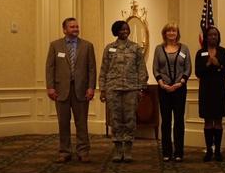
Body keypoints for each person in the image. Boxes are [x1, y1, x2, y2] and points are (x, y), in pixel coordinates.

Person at [45, 17, 97, 163]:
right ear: (64, 29)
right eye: (72, 27)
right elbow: (50, 68)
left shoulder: (87, 46)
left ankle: (83, 151)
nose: (75, 29)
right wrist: (50, 87)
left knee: (82, 122)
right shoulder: (55, 45)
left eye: (76, 26)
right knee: (63, 122)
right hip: (61, 90)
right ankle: (64, 151)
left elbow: (92, 69)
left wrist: (91, 87)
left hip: (81, 90)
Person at [99, 20, 148, 163]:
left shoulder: (135, 48)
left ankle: (128, 148)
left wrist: (141, 87)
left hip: (131, 89)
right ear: (116, 31)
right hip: (113, 89)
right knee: (115, 119)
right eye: (121, 29)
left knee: (130, 119)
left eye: (126, 29)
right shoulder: (109, 48)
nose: (125, 31)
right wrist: (102, 89)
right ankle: (118, 147)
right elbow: (104, 69)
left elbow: (141, 69)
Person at [152, 23, 191, 162]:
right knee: (166, 121)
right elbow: (156, 69)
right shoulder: (158, 49)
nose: (171, 33)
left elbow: (187, 68)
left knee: (179, 121)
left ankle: (179, 152)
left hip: (180, 89)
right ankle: (167, 152)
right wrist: (162, 84)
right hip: (163, 90)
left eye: (174, 30)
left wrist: (179, 83)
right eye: (169, 30)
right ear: (164, 33)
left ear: (177, 33)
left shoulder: (184, 48)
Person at [194, 26, 225, 162]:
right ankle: (209, 150)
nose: (213, 37)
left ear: (218, 36)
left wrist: (219, 64)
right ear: (206, 37)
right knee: (208, 121)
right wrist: (208, 63)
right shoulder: (201, 53)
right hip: (206, 89)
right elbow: (198, 72)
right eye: (210, 35)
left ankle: (218, 151)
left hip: (220, 88)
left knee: (218, 120)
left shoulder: (223, 52)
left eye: (215, 34)